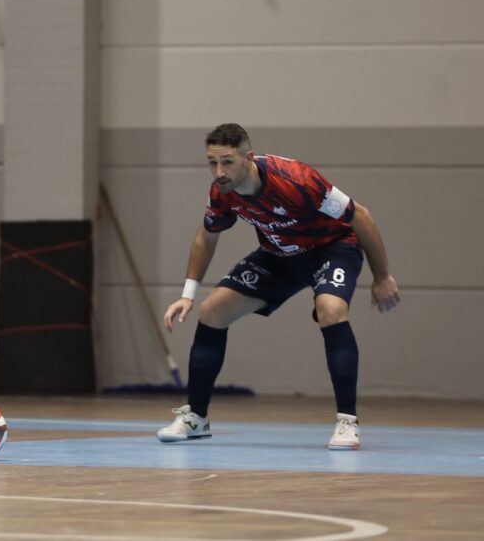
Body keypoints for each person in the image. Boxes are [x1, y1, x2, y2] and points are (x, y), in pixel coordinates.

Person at [158, 123, 400, 450]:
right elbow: (207, 236)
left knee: (330, 310)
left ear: (248, 157)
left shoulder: (297, 180)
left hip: (331, 248)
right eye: (212, 162)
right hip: (279, 255)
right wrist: (187, 295)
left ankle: (347, 423)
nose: (219, 172)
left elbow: (362, 216)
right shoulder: (222, 192)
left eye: (227, 162)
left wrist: (382, 277)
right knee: (212, 310)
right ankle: (196, 418)